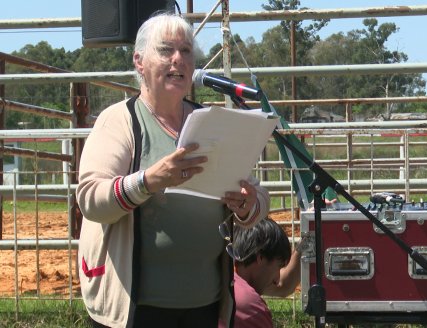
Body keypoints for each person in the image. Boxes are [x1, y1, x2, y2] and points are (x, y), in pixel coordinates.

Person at [76, 13, 269, 328]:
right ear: (140, 62)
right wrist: (149, 180)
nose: (178, 59)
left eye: (187, 51)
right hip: (136, 310)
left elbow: (258, 196)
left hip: (203, 304)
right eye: (166, 50)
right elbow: (90, 200)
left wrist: (248, 205)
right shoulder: (119, 121)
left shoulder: (213, 122)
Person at [219, 217, 292, 328]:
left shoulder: (216, 279)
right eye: (278, 267)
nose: (277, 280)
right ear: (260, 257)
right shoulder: (250, 307)